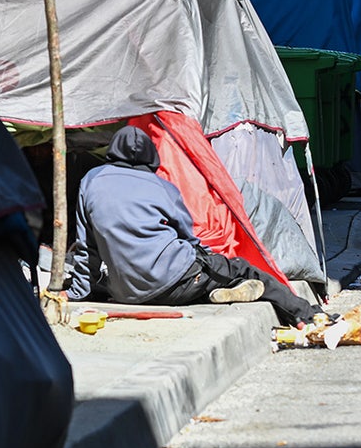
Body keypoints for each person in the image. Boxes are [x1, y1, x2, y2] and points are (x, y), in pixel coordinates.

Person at [65, 126, 323, 327]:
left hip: (127, 293)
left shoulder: (91, 180)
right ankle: (307, 316)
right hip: (178, 285)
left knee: (110, 279)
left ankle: (220, 289)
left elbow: (87, 247)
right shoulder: (162, 186)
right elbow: (189, 238)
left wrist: (77, 293)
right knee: (241, 268)